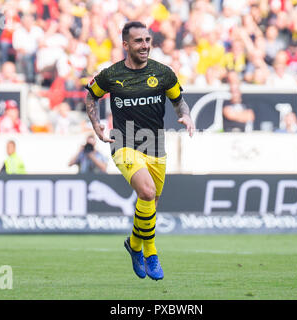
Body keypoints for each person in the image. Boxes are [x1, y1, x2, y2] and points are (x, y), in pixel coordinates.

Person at [84, 21, 195, 281]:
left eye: (147, 40)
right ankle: (151, 254)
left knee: (151, 203)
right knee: (146, 192)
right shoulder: (111, 75)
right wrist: (97, 124)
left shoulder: (164, 73)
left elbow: (180, 102)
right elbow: (91, 96)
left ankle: (134, 245)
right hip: (123, 141)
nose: (144, 45)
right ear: (125, 45)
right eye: (138, 41)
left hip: (155, 145)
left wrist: (187, 117)